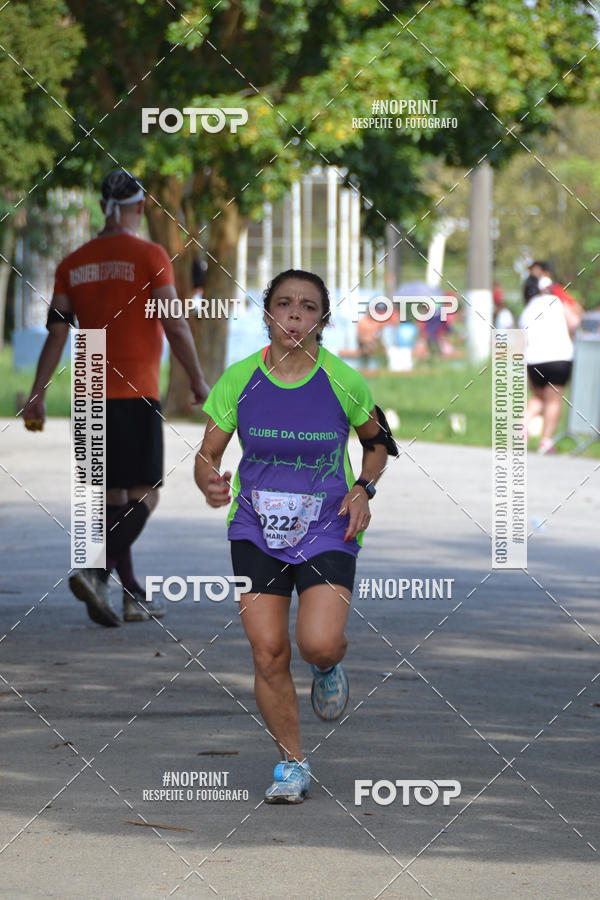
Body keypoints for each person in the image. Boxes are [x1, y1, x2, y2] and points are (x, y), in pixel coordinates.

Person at [194, 269, 395, 804]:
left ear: (323, 320)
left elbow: (379, 445)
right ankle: (292, 762)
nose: (295, 315)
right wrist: (210, 482)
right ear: (267, 314)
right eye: (284, 304)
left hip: (329, 526)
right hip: (255, 529)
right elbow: (207, 454)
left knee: (317, 642)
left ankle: (328, 666)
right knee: (268, 651)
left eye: (308, 307)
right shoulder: (240, 378)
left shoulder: (344, 380)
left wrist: (362, 489)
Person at [23, 169, 209, 626]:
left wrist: (37, 395)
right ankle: (94, 570)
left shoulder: (73, 262)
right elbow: (175, 323)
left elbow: (55, 336)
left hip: (89, 390)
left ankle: (130, 595)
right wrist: (199, 381)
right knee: (145, 495)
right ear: (139, 208)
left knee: (110, 502)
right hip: (133, 391)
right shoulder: (150, 254)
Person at [519, 275, 573, 454]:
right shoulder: (556, 301)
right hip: (559, 357)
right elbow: (574, 321)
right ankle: (546, 441)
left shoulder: (526, 310)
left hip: (534, 360)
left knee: (539, 396)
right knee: (553, 400)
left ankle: (522, 427)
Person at [528, 261, 582, 334]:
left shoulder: (555, 289)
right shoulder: (531, 293)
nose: (535, 276)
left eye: (538, 273)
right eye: (532, 274)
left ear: (547, 274)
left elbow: (575, 308)